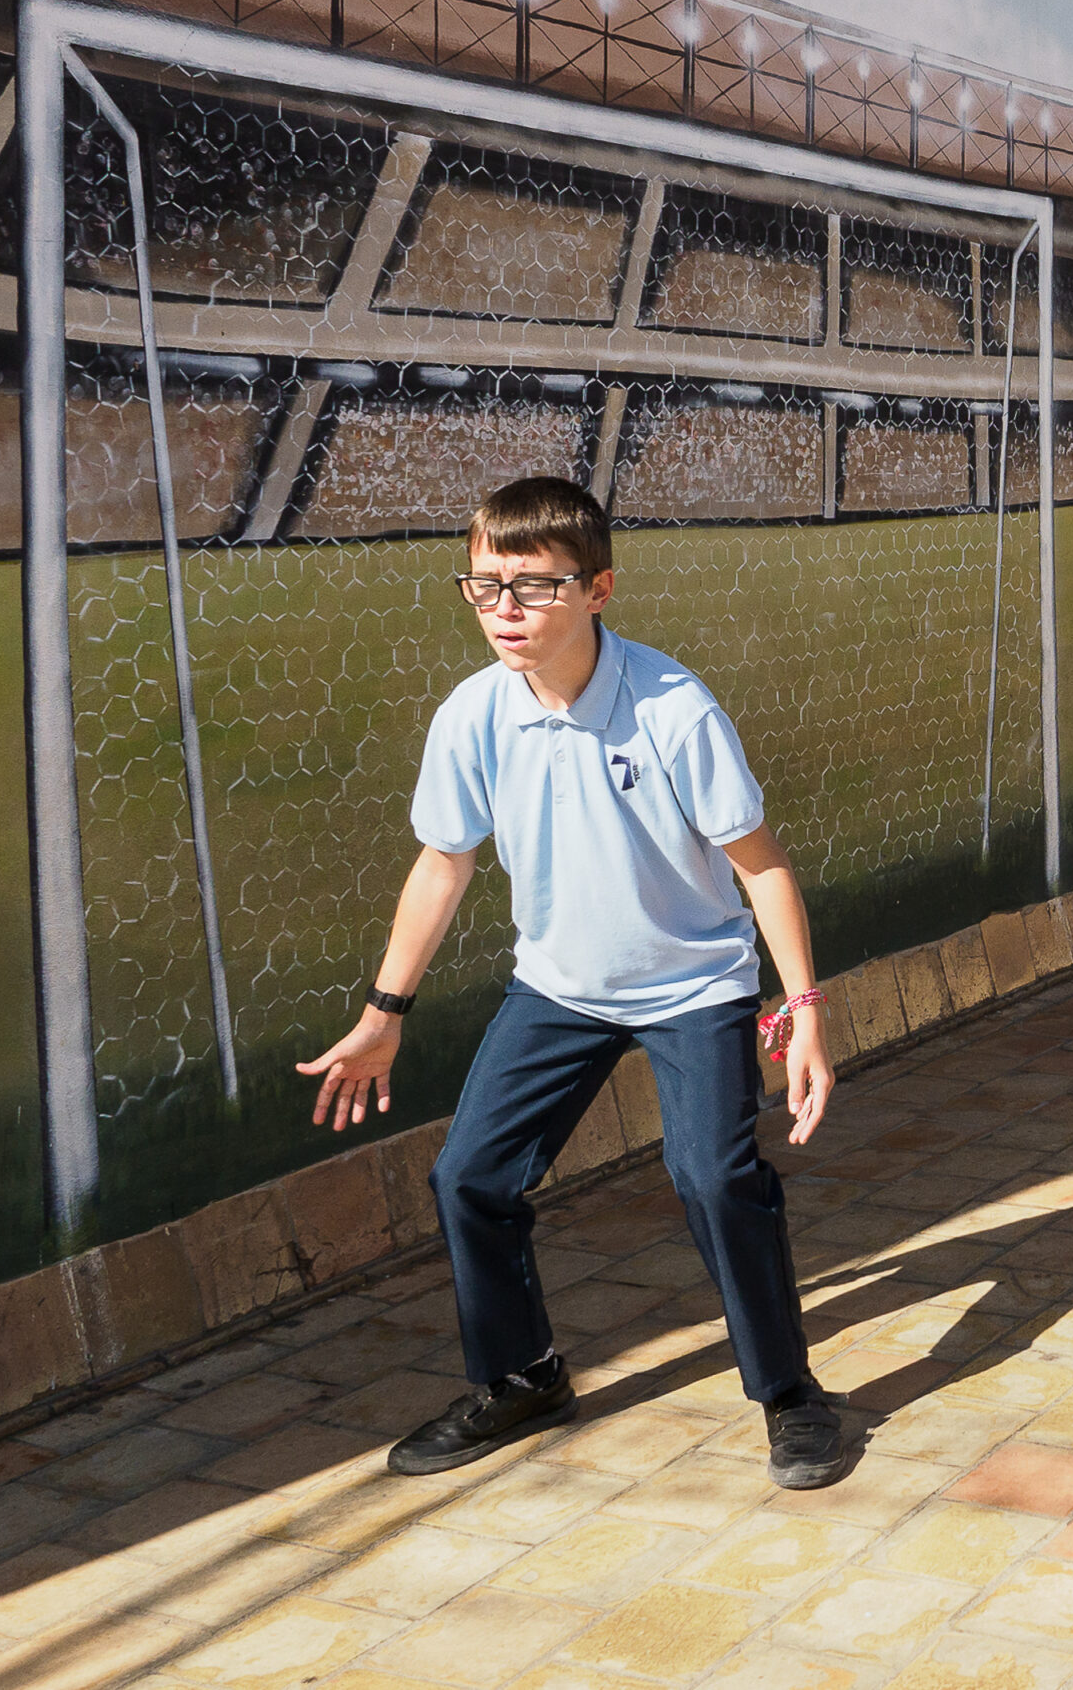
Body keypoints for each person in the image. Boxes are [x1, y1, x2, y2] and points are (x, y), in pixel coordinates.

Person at [297, 476, 846, 1490]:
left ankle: (789, 1393)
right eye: (484, 585)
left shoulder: (672, 708)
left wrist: (802, 1007)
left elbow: (760, 866)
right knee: (469, 1175)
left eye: (532, 588)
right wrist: (385, 1011)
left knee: (715, 1177)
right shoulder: (473, 715)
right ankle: (521, 1377)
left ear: (597, 589)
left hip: (693, 985)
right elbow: (442, 862)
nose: (504, 610)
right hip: (558, 986)